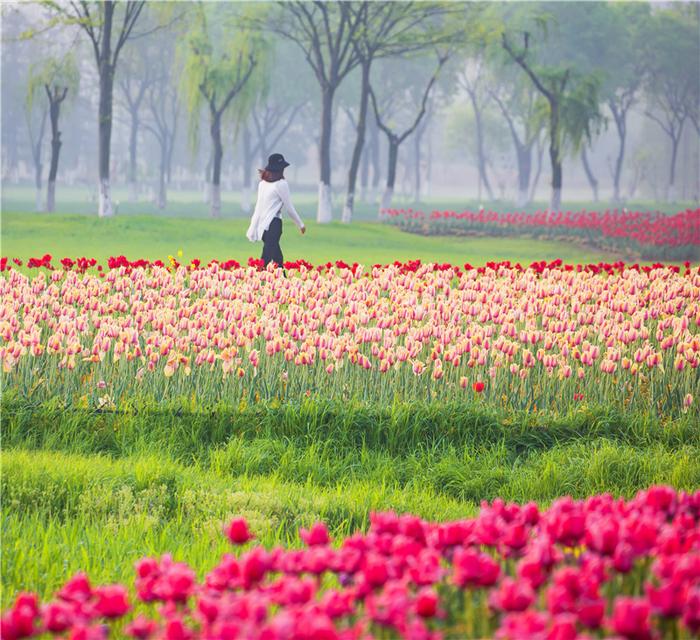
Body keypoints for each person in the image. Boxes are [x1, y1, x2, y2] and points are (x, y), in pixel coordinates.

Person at [246, 153, 306, 269]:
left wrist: (254, 226)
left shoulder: (262, 184)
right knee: (266, 258)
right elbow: (289, 208)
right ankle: (257, 282)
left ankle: (281, 282)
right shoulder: (281, 184)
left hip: (262, 227)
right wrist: (301, 225)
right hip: (274, 225)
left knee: (277, 258)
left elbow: (258, 208)